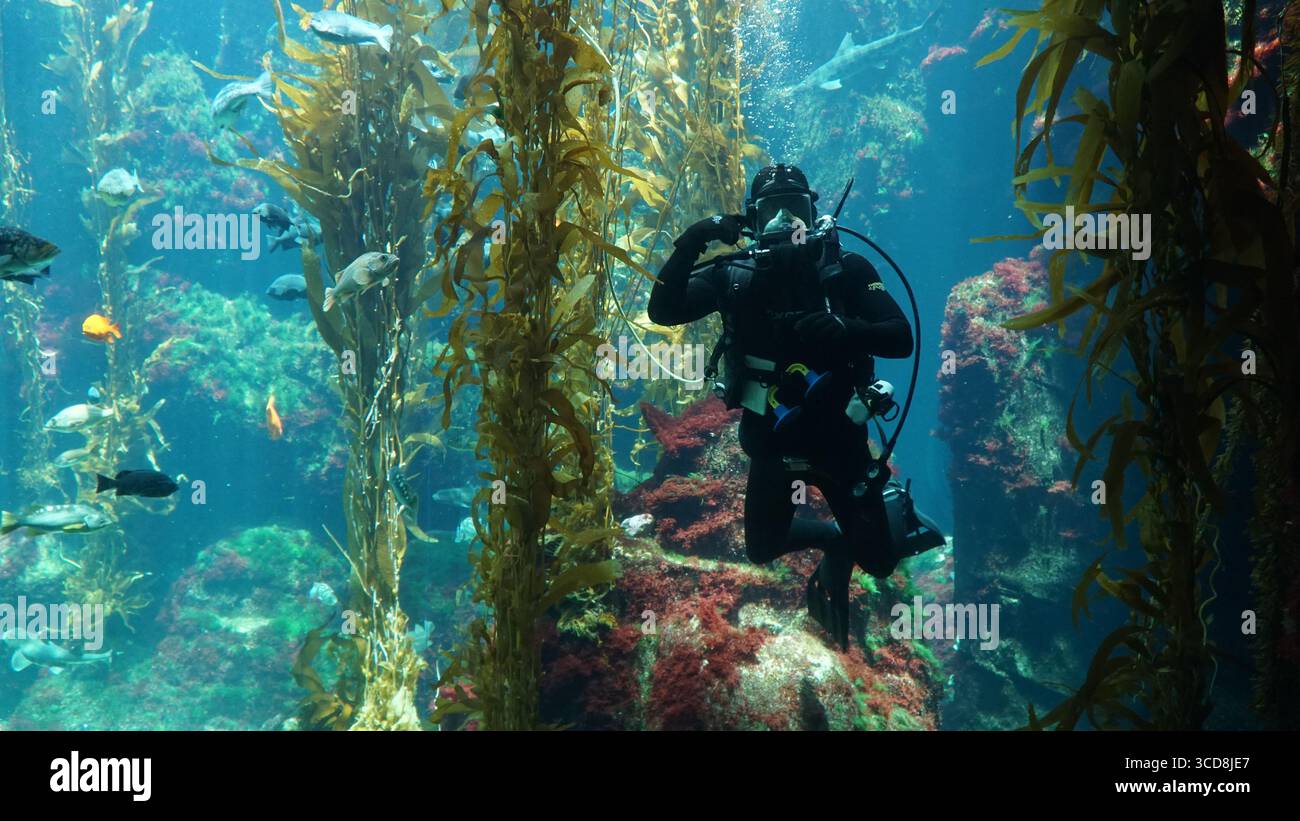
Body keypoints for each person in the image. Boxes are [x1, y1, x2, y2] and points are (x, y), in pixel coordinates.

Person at [647, 164, 914, 649]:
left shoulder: (845, 270)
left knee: (880, 561)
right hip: (772, 442)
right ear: (751, 218)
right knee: (763, 547)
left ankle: (871, 529)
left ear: (815, 211)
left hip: (841, 442)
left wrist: (847, 328)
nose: (786, 219)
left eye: (798, 207)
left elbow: (901, 337)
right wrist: (693, 240)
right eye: (773, 209)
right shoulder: (736, 276)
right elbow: (663, 311)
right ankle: (832, 539)